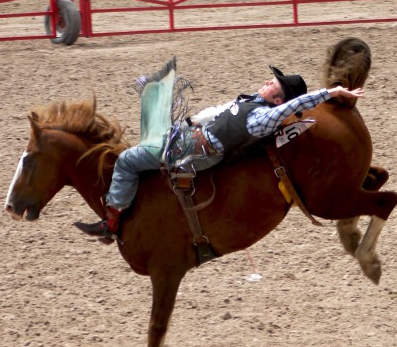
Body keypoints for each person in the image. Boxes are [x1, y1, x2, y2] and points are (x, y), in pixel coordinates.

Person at [77, 67, 363, 241]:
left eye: (274, 83)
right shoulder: (249, 103)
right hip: (191, 138)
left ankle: (111, 222)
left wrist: (329, 92)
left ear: (279, 98)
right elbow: (217, 112)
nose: (268, 80)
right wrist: (189, 123)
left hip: (198, 150)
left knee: (127, 161)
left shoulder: (263, 117)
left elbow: (294, 106)